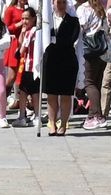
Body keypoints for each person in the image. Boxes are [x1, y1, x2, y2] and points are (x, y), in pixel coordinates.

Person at [42, 0, 78, 134]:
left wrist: (56, 40)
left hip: (67, 59)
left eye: (63, 2)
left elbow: (72, 38)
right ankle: (51, 123)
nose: (60, 5)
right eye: (58, 2)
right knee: (51, 94)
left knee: (65, 94)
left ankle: (63, 123)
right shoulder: (47, 20)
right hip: (51, 60)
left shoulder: (73, 21)